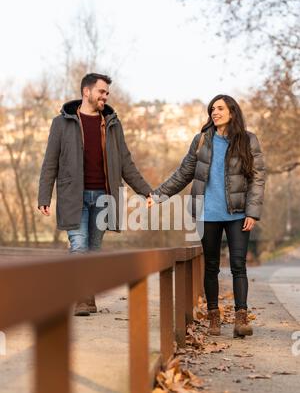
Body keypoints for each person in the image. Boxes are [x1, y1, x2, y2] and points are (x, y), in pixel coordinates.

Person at [149, 94, 266, 338]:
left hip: (238, 214)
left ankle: (240, 319)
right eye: (212, 109)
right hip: (207, 214)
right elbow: (183, 174)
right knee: (211, 267)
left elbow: (257, 178)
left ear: (232, 112)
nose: (215, 112)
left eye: (220, 108)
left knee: (238, 265)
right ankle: (214, 318)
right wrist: (158, 195)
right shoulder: (201, 140)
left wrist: (253, 213)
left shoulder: (248, 140)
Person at [38, 73, 152, 316]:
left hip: (104, 196)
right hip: (73, 196)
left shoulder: (112, 123)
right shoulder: (62, 123)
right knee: (78, 246)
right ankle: (80, 298)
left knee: (94, 249)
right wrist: (44, 196)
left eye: (107, 93)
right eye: (101, 91)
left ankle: (87, 295)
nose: (105, 96)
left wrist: (146, 191)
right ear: (86, 92)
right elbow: (50, 163)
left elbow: (126, 163)